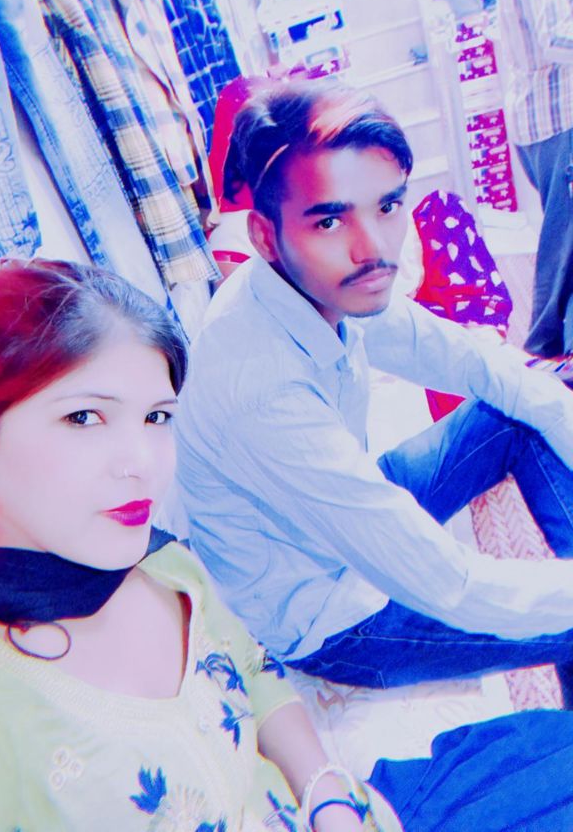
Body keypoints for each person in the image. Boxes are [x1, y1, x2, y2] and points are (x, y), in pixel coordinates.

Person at [0, 259, 398, 832]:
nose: (143, 463)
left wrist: (326, 795)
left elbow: (255, 671)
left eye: (157, 417)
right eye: (84, 417)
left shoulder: (170, 568)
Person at [174, 80, 573, 705]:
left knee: (525, 402)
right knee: (562, 618)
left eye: (387, 206)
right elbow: (452, 585)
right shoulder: (261, 389)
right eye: (330, 220)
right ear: (265, 236)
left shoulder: (320, 280)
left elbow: (468, 359)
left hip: (341, 525)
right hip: (334, 621)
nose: (375, 249)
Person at [491, 0, 573, 358]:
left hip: (548, 117)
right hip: (561, 116)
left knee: (565, 257)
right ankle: (546, 363)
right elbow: (556, 32)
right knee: (561, 264)